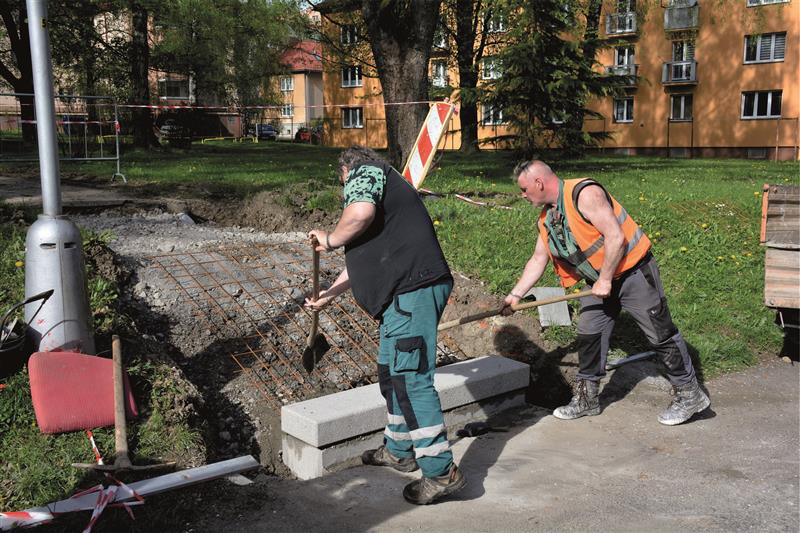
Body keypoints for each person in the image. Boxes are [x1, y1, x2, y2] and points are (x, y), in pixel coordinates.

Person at [305, 146, 467, 504]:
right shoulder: (381, 191)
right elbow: (365, 260)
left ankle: (441, 472)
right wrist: (329, 294)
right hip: (401, 298)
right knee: (390, 372)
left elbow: (358, 214)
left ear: (345, 171)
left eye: (342, 183)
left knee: (411, 381)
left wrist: (331, 239)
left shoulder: (366, 172)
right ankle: (398, 449)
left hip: (413, 291)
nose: (346, 191)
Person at [503, 160, 710, 426]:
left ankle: (690, 394)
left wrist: (604, 280)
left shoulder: (584, 194)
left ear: (539, 183)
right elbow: (537, 260)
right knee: (590, 333)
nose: (522, 195)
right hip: (600, 279)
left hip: (633, 272)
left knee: (660, 333)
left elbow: (615, 237)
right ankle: (587, 399)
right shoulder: (548, 219)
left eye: (523, 189)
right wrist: (515, 296)